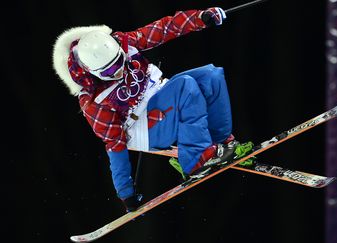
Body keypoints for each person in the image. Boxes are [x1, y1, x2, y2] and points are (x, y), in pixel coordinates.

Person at [52, 7, 240, 212]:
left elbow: (162, 29)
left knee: (210, 76)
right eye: (109, 71)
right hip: (142, 127)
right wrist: (126, 193)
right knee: (186, 86)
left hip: (159, 96)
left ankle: (221, 141)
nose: (119, 71)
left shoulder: (124, 42)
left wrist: (200, 18)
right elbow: (114, 145)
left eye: (120, 62)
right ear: (92, 71)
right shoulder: (92, 99)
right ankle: (196, 160)